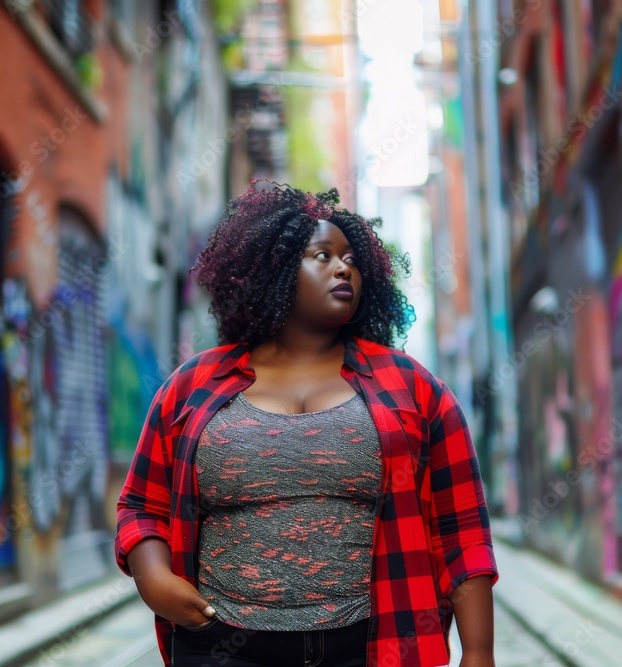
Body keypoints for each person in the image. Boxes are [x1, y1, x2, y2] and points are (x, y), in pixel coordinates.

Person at [115, 183, 497, 667]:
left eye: (352, 260)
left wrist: (479, 653)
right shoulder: (193, 385)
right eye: (323, 255)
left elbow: (461, 527)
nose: (344, 268)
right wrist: (154, 580)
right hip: (221, 646)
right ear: (271, 271)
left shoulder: (413, 389)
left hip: (371, 647)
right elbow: (141, 503)